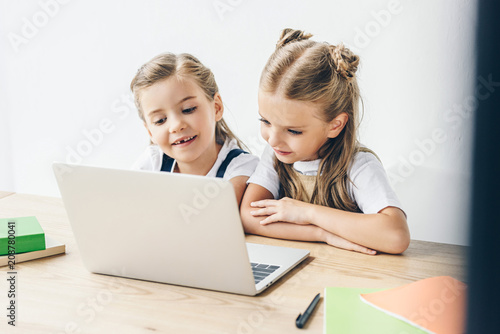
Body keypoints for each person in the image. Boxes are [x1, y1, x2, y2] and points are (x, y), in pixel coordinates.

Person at [240, 29, 410, 254]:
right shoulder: (275, 154)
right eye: (266, 121)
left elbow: (396, 236)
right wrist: (322, 234)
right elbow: (248, 217)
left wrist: (306, 213)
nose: (273, 139)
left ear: (335, 125)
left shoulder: (358, 165)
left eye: (293, 130)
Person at [131, 52, 258, 205]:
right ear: (150, 132)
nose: (176, 126)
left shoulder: (242, 168)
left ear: (216, 107)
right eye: (160, 120)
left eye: (188, 109)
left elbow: (210, 217)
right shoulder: (152, 162)